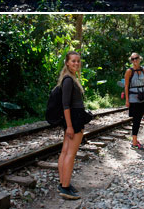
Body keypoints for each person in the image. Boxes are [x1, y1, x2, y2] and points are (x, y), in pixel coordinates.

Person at [53, 50, 89, 201]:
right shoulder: (68, 80)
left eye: (78, 61)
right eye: (73, 61)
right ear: (67, 63)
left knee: (65, 152)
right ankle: (65, 188)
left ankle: (63, 183)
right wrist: (69, 126)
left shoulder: (70, 78)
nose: (76, 63)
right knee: (70, 154)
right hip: (73, 119)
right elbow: (65, 105)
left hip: (73, 118)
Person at [124, 53, 144, 150]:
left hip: (142, 97)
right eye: (132, 59)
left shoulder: (143, 70)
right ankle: (134, 142)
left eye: (136, 58)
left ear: (139, 59)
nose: (134, 60)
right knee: (136, 119)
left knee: (139, 118)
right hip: (133, 98)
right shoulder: (129, 71)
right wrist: (127, 100)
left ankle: (134, 139)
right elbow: (126, 86)